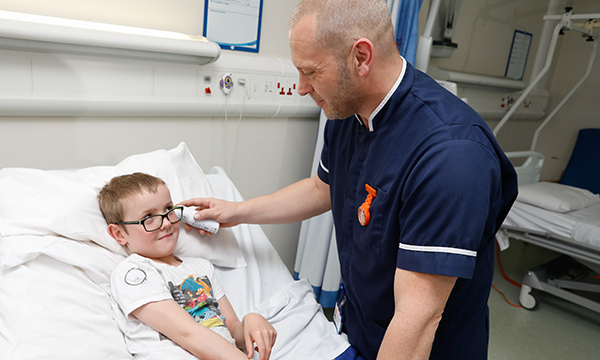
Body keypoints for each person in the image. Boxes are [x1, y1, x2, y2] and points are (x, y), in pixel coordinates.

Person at [180, 0, 518, 359]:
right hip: (360, 331)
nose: (301, 88)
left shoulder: (452, 156)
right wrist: (236, 211)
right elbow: (321, 188)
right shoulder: (349, 111)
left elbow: (417, 318)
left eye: (310, 72)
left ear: (360, 57)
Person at [98, 173, 277, 360]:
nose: (166, 222)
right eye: (148, 217)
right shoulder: (133, 273)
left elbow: (231, 329)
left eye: (168, 209)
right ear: (119, 234)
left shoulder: (202, 268)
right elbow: (188, 334)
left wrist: (251, 321)